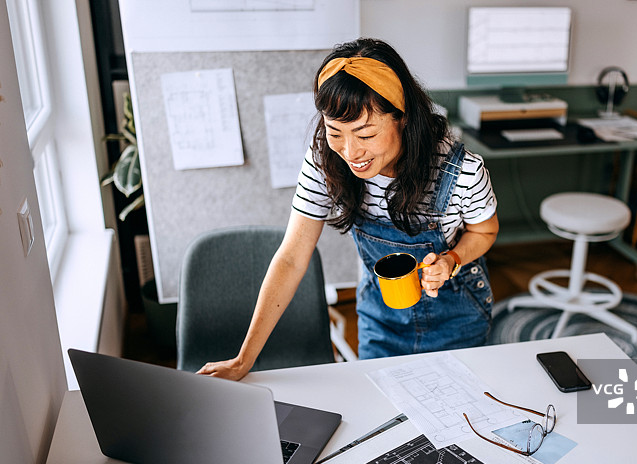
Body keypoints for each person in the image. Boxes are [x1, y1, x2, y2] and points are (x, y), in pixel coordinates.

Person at [198, 38, 498, 380]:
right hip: (380, 320)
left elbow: (485, 230)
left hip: (458, 319)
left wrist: (451, 260)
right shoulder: (326, 160)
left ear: (402, 118)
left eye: (365, 134)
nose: (351, 151)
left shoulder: (461, 171)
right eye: (335, 132)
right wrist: (243, 360)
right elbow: (293, 256)